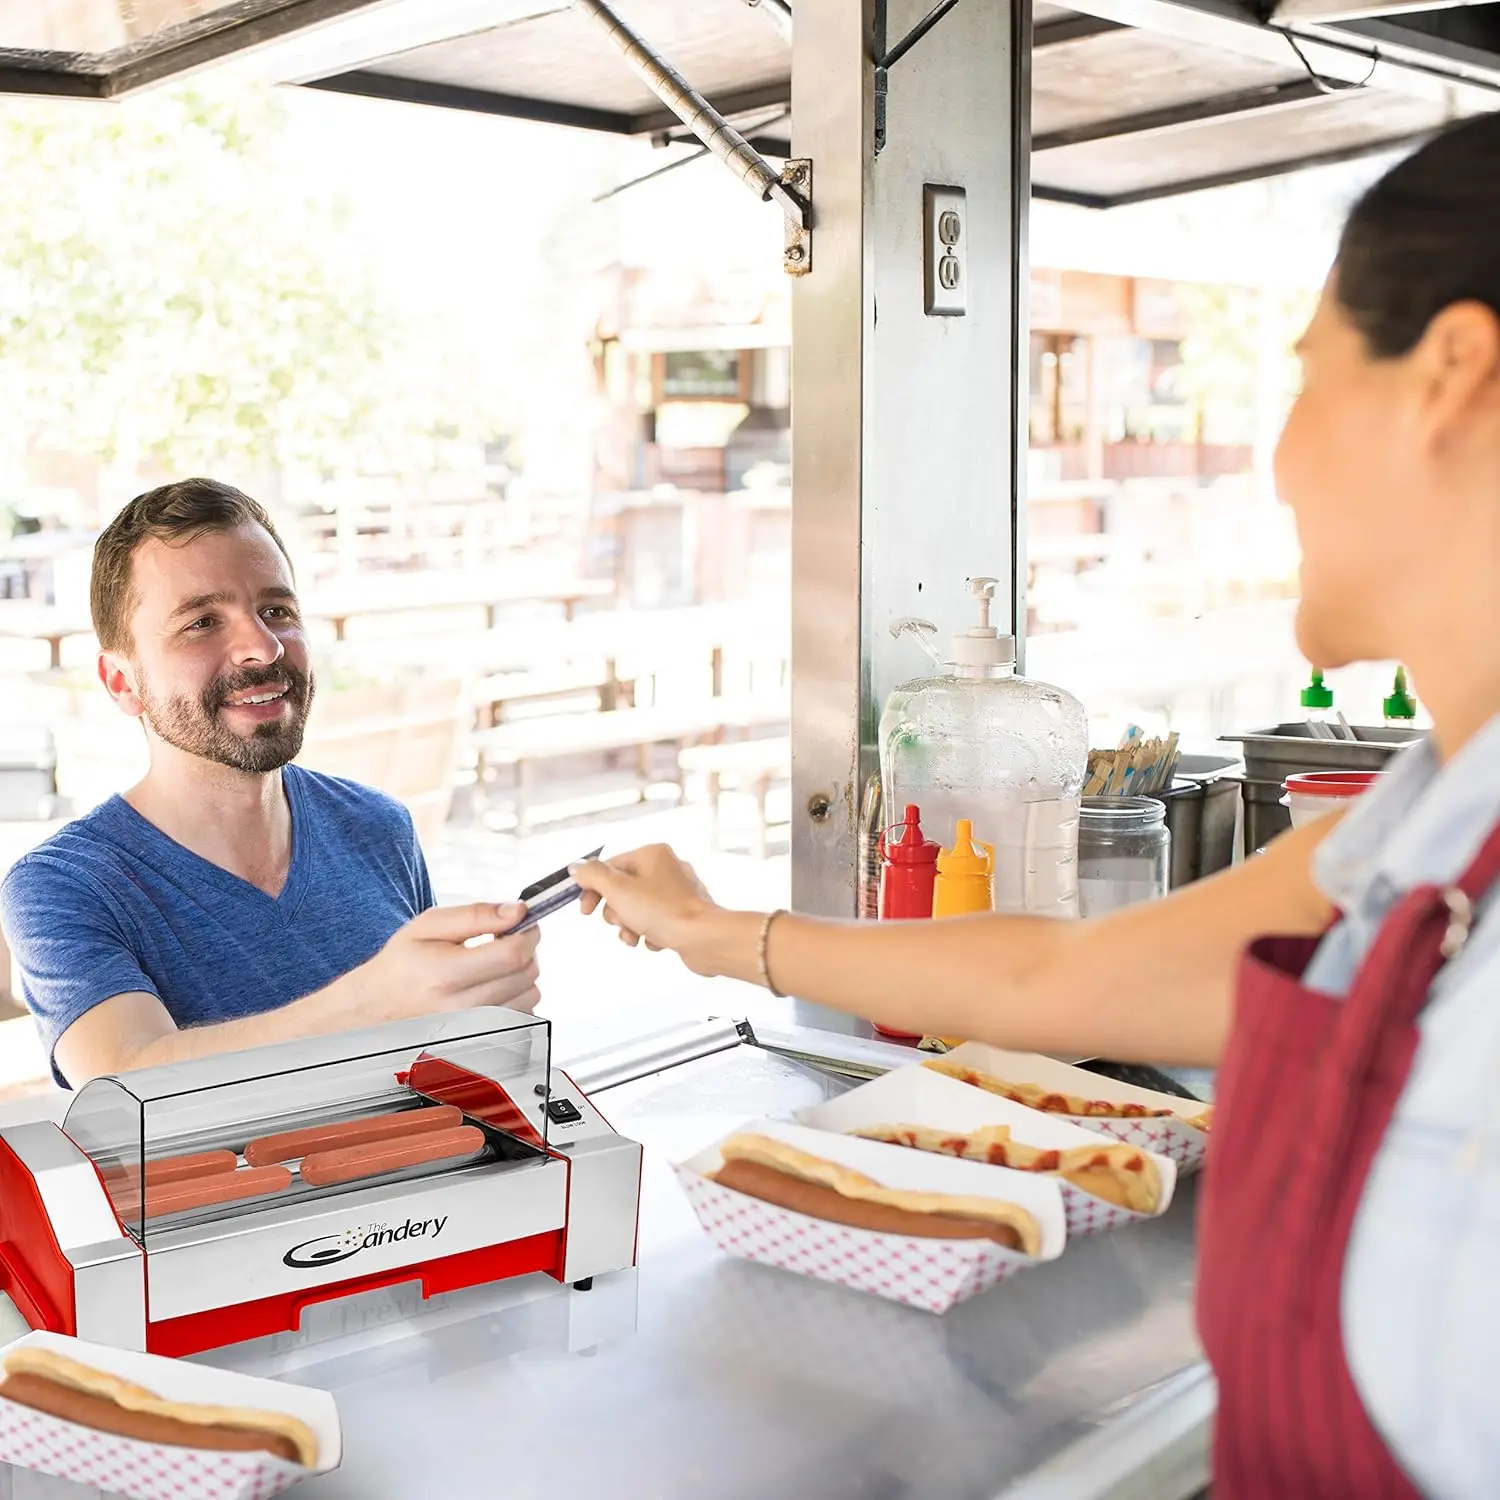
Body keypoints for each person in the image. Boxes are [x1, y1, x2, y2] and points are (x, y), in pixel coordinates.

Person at [571, 117, 1500, 1500]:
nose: (1282, 458)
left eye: (1307, 382)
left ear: (1451, 376)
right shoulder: (1438, 817)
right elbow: (1061, 968)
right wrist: (722, 935)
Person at [0, 479, 540, 1089]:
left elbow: (429, 1067)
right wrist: (373, 1004)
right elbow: (124, 1083)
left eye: (277, 611)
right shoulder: (62, 886)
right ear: (123, 682)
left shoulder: (379, 826)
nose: (262, 646)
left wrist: (475, 1015)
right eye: (202, 622)